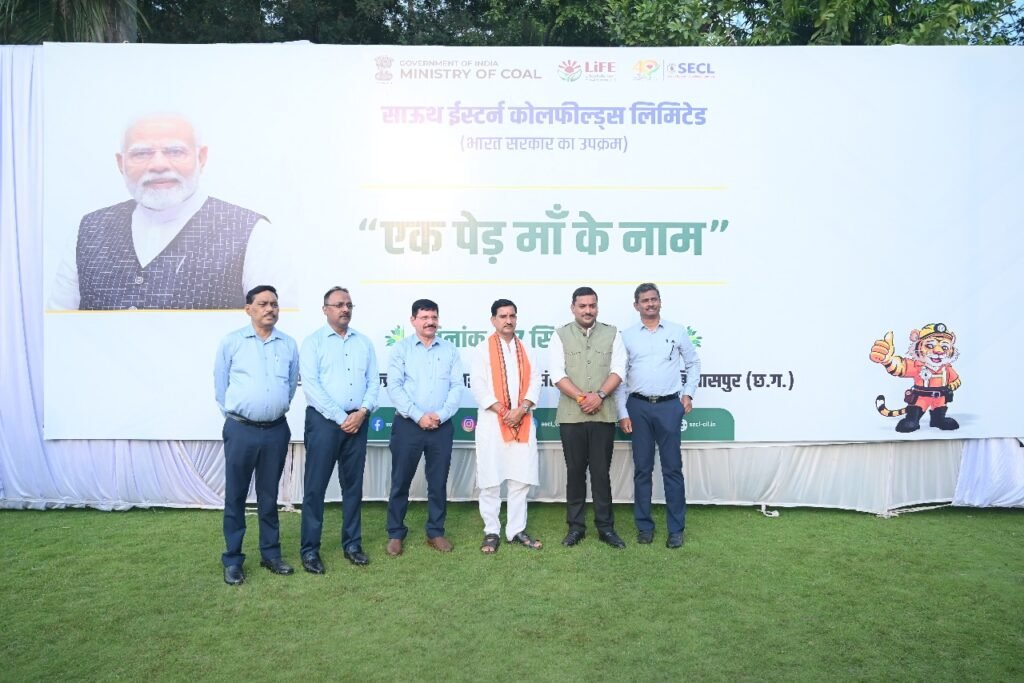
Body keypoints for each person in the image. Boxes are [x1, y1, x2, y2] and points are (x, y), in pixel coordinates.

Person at [50, 113, 286, 310]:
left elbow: (275, 333)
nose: (158, 165)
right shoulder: (89, 230)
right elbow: (57, 329)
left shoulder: (252, 233)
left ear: (201, 158)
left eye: (175, 152)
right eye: (141, 154)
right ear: (121, 163)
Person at [213, 285, 299, 585]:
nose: (270, 309)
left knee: (269, 496)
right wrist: (238, 416)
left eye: (274, 304)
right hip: (241, 429)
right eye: (262, 304)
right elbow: (220, 386)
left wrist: (272, 408)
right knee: (236, 495)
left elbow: (290, 386)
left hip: (276, 430)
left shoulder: (288, 344)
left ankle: (271, 554)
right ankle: (233, 559)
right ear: (248, 309)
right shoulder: (232, 342)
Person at [298, 287, 379, 573]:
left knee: (353, 487)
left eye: (349, 305)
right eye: (339, 305)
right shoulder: (313, 343)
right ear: (325, 310)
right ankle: (310, 550)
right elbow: (311, 386)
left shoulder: (364, 343)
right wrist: (341, 417)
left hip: (358, 421)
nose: (345, 309)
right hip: (324, 423)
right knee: (315, 488)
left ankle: (352, 545)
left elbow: (373, 382)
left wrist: (362, 412)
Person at [615, 283, 701, 549]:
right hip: (638, 407)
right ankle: (645, 527)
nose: (650, 304)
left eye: (654, 299)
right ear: (636, 305)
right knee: (642, 469)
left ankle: (676, 529)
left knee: (672, 469)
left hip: (669, 406)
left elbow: (693, 363)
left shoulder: (676, 331)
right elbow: (619, 376)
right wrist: (622, 412)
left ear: (660, 302)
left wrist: (688, 394)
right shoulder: (626, 337)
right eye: (645, 300)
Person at [548, 286, 627, 548]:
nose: (587, 310)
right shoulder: (560, 335)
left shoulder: (613, 334)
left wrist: (600, 396)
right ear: (573, 308)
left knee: (601, 473)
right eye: (582, 306)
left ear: (597, 307)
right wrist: (584, 398)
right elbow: (557, 374)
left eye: (592, 305)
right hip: (572, 417)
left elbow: (619, 369)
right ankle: (576, 527)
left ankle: (606, 528)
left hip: (603, 415)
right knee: (575, 472)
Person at [385, 299, 463, 556]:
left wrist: (440, 415)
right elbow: (394, 387)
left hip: (441, 426)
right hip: (408, 425)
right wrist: (419, 416)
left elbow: (456, 387)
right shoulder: (401, 349)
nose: (430, 322)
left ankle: (435, 532)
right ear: (413, 320)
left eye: (433, 317)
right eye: (424, 317)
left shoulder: (450, 350)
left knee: (438, 482)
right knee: (400, 481)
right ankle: (395, 533)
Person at [470, 299, 543, 554]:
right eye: (503, 316)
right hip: (492, 423)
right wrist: (504, 412)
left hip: (522, 420)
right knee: (490, 479)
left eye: (512, 316)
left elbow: (536, 381)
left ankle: (516, 530)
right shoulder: (482, 350)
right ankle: (491, 531)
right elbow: (478, 387)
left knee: (520, 478)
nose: (508, 320)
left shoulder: (527, 349)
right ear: (493, 320)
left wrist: (521, 410)